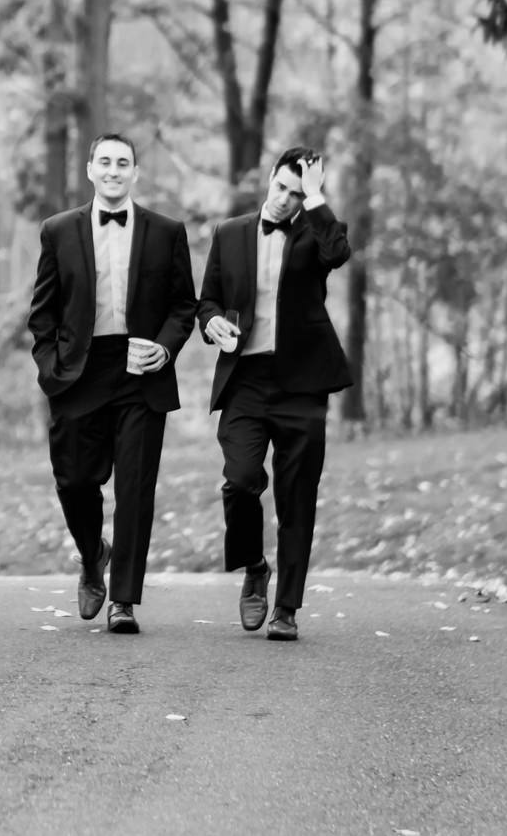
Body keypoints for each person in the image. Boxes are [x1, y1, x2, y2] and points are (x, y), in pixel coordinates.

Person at [27, 132, 196, 635]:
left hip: (141, 373)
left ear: (136, 173)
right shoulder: (58, 230)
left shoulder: (167, 232)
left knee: (136, 489)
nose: (114, 171)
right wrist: (51, 370)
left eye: (123, 163)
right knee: (75, 481)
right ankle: (91, 553)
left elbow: (183, 306)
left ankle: (123, 599)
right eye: (105, 162)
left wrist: (164, 348)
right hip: (79, 372)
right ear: (90, 170)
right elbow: (43, 314)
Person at [196, 147, 352, 642]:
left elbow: (338, 254)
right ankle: (254, 566)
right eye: (281, 188)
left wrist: (317, 197)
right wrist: (211, 322)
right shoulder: (230, 232)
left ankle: (286, 608)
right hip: (245, 380)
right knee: (241, 480)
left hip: (303, 385)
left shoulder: (314, 231)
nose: (286, 200)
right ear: (268, 181)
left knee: (296, 497)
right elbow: (208, 301)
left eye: (296, 192)